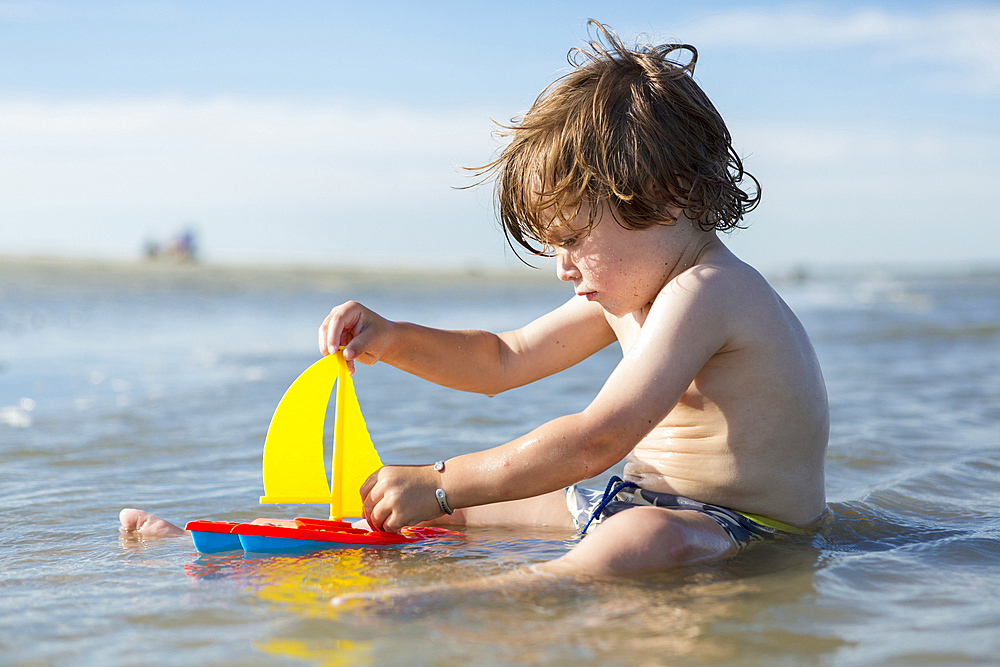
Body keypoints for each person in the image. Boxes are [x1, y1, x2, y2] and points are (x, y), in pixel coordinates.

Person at [122, 22, 828, 578]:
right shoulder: (635, 288)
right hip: (626, 500)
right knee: (466, 512)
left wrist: (443, 480)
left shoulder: (710, 291)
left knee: (641, 537)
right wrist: (394, 337)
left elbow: (599, 438)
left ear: (663, 197)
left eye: (574, 238)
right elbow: (501, 359)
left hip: (741, 529)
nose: (562, 268)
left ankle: (501, 596)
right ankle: (221, 541)